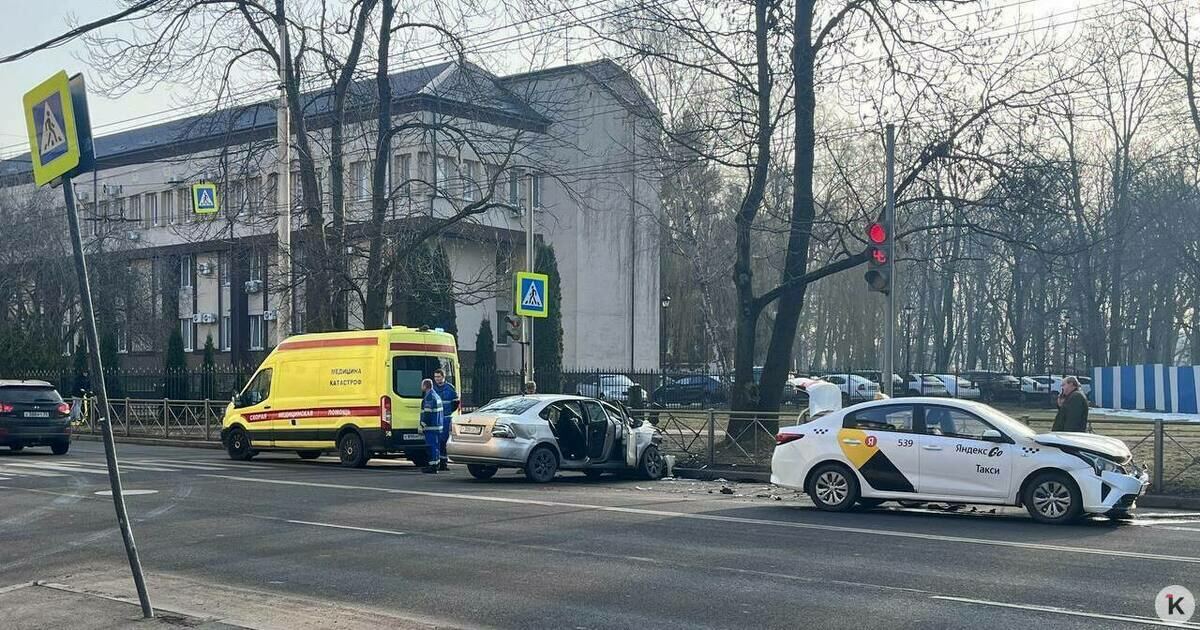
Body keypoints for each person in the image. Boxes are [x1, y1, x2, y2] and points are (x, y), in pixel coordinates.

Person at [432, 368, 458, 471]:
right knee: (436, 441)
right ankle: (437, 462)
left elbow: (455, 403)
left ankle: (443, 463)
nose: (437, 379)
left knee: (444, 440)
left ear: (443, 377)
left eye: (438, 377)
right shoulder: (433, 388)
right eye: (435, 377)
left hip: (446, 418)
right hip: (436, 418)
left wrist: (448, 412)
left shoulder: (450, 388)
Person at [419, 378, 444, 473]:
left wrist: (422, 425)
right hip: (437, 426)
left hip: (431, 428)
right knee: (436, 447)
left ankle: (432, 466)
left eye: (422, 385)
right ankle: (436, 464)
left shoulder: (429, 397)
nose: (421, 387)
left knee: (431, 447)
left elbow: (427, 413)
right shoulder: (436, 396)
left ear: (425, 386)